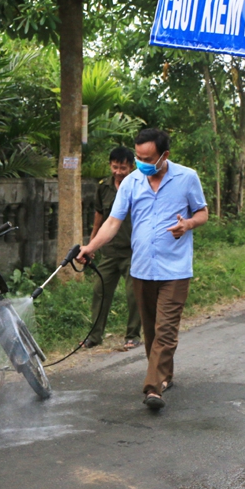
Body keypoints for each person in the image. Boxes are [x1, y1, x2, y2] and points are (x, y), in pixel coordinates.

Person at [78, 128, 208, 410]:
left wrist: (188, 224)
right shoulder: (131, 182)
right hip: (142, 269)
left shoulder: (187, 178)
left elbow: (202, 212)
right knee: (150, 331)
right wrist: (91, 247)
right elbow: (112, 222)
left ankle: (152, 388)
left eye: (148, 157)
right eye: (138, 157)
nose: (141, 163)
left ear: (165, 155)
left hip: (175, 269)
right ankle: (165, 375)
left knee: (165, 329)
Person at [82, 146, 141, 350]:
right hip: (109, 251)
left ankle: (133, 335)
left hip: (133, 251)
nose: (118, 172)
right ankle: (94, 336)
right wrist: (91, 246)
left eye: (123, 168)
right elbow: (99, 219)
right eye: (115, 167)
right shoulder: (103, 187)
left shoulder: (139, 186)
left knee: (134, 294)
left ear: (131, 167)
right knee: (100, 291)